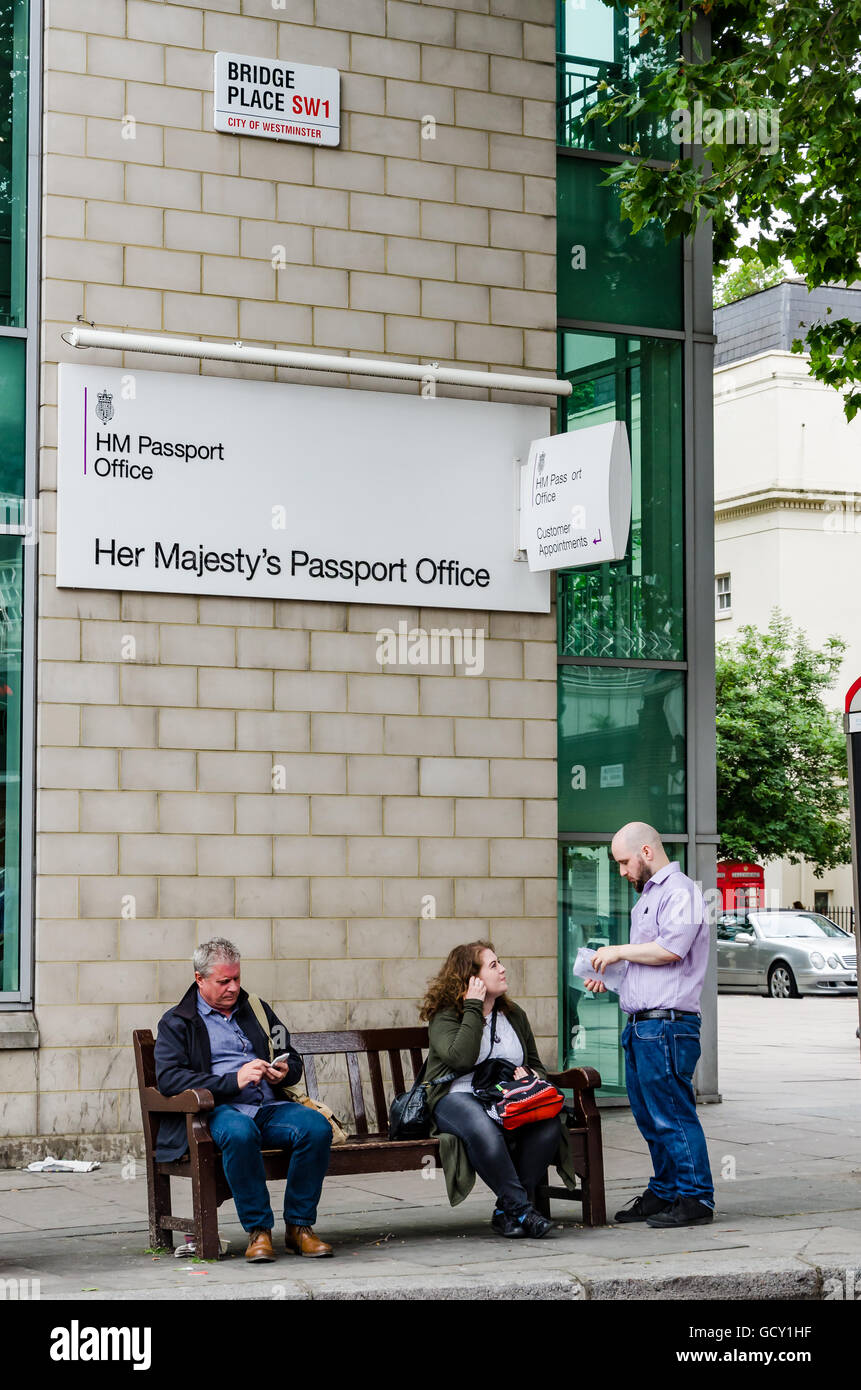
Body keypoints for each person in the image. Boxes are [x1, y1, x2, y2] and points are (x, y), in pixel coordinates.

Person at [154, 937, 333, 1262]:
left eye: (237, 978)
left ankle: (299, 1228)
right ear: (200, 979)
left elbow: (289, 1053)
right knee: (239, 1133)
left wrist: (284, 1070)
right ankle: (259, 1232)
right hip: (220, 1110)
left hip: (268, 1107)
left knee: (316, 1128)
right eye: (224, 981)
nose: (234, 987)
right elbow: (170, 1078)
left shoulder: (259, 1011)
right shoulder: (177, 1022)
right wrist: (231, 1082)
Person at [584, 823, 715, 1229]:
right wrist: (612, 972)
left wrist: (618, 950)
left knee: (672, 1114)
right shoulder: (649, 898)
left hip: (666, 1028)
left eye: (623, 862)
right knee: (648, 1115)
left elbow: (671, 949)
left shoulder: (682, 892)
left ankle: (695, 1198)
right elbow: (651, 963)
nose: (622, 871)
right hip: (644, 1026)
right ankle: (666, 1189)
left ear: (645, 850)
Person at [421, 940, 579, 1238]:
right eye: (494, 965)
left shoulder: (514, 1015)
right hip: (456, 1097)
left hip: (507, 1098)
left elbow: (537, 1066)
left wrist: (529, 1074)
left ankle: (508, 1211)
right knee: (483, 1128)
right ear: (473, 978)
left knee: (549, 1122)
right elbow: (460, 1058)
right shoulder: (445, 1015)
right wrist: (474, 1006)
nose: (503, 969)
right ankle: (522, 1208)